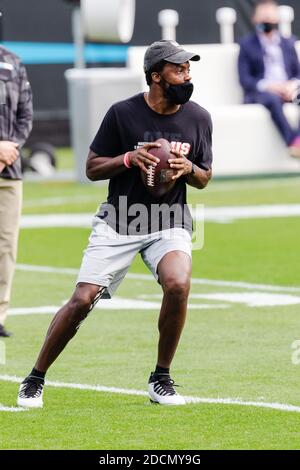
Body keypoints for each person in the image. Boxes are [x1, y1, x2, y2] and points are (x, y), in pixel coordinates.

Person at [17, 40, 212, 408]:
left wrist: (190, 170)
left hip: (168, 220)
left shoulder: (198, 117)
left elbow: (205, 177)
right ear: (157, 76)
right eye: (178, 69)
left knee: (178, 282)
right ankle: (35, 377)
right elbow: (91, 168)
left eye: (189, 69)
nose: (187, 75)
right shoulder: (123, 114)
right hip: (119, 220)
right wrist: (127, 158)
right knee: (82, 300)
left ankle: (161, 378)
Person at [238, 0, 300, 158]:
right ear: (254, 19)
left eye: (270, 16)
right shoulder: (246, 45)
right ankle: (293, 142)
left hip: (288, 90)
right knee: (273, 100)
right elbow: (245, 79)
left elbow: (297, 73)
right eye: (263, 16)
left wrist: (291, 86)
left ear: (277, 19)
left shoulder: (288, 43)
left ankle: (297, 141)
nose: (266, 21)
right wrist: (271, 87)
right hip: (263, 93)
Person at [0, 44, 33, 338]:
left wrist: (9, 149)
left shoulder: (12, 62)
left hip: (8, 170)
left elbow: (25, 114)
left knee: (6, 246)